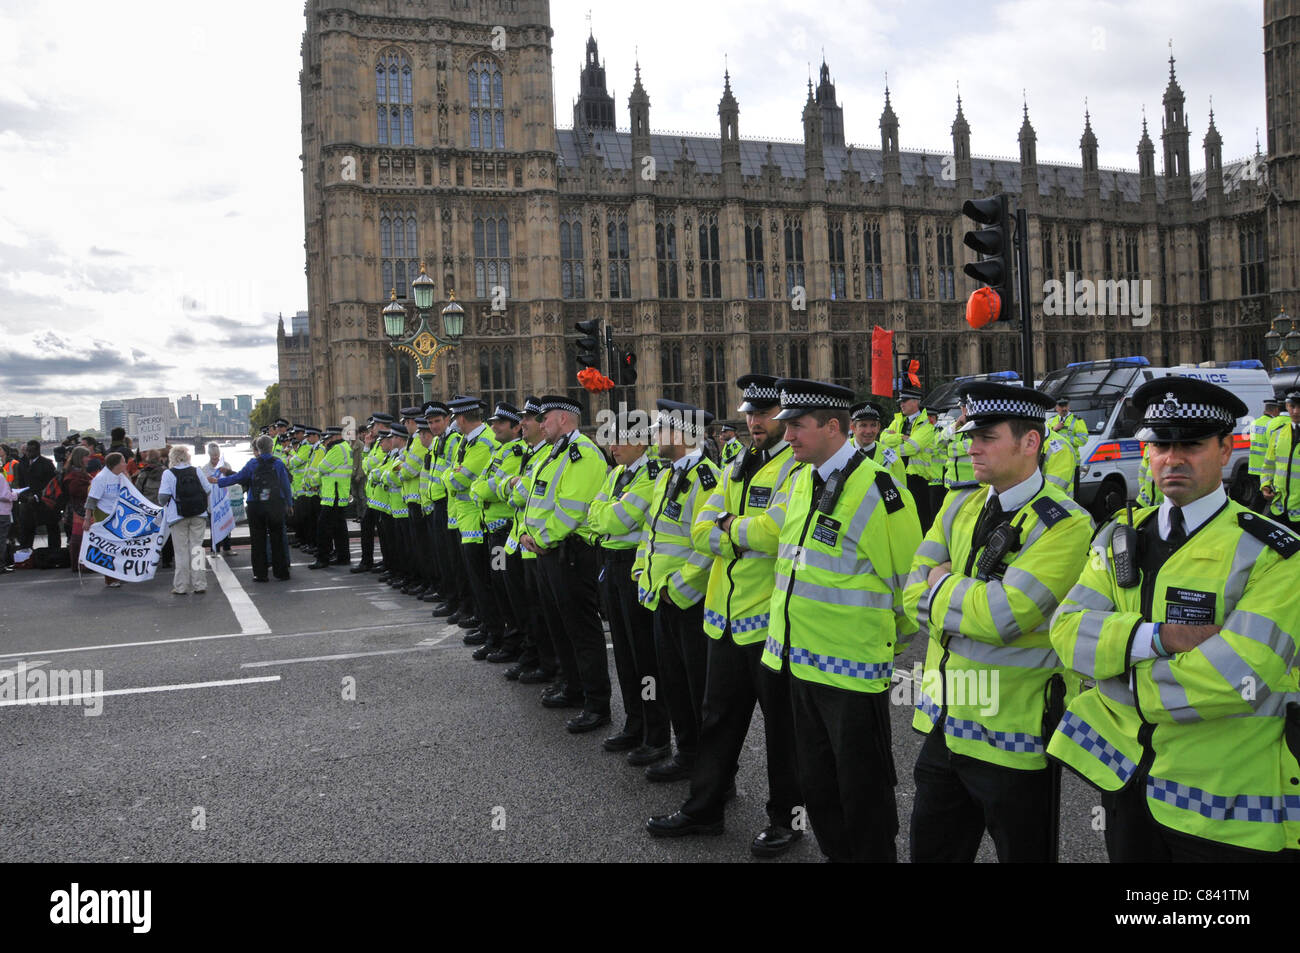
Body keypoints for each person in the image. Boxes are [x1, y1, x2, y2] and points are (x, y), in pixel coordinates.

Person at [1049, 377, 1300, 862]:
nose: (1173, 457)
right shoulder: (1119, 534)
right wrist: (1159, 638)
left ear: (1226, 449)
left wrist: (1113, 670)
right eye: (1161, 443)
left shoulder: (1273, 554)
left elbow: (1238, 679)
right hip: (1127, 785)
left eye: (1191, 443)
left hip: (1223, 807)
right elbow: (1066, 632)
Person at [903, 382, 1093, 862]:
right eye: (971, 435)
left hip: (1014, 736)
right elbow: (909, 593)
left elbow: (1006, 616)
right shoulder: (958, 503)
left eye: (987, 436)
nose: (971, 446)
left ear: (1030, 442)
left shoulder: (1065, 524)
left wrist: (940, 587)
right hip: (947, 725)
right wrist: (960, 597)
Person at [761, 377, 922, 862]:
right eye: (785, 425)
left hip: (851, 671)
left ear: (834, 427)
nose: (786, 435)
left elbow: (906, 583)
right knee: (819, 787)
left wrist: (880, 645)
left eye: (797, 426)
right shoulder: (801, 480)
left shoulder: (878, 488)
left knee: (864, 792)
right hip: (798, 663)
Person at [646, 374, 804, 857]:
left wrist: (727, 530)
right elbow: (700, 529)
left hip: (770, 624)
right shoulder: (736, 464)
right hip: (725, 619)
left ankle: (785, 821)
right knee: (717, 721)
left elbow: (776, 533)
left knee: (782, 733)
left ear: (783, 418)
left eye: (764, 414)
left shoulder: (795, 470)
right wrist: (735, 532)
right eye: (751, 413)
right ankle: (705, 808)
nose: (754, 422)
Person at [635, 399, 721, 779]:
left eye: (660, 429)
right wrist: (642, 570)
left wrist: (678, 590)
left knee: (698, 689)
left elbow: (708, 548)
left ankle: (711, 770)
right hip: (662, 597)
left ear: (683, 434)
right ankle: (687, 755)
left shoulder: (708, 479)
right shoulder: (668, 473)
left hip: (689, 602)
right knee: (673, 682)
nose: (653, 435)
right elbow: (652, 531)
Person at [520, 395, 611, 733]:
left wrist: (540, 539)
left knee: (582, 631)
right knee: (560, 626)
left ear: (562, 418)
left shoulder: (583, 454)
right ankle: (573, 687)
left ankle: (597, 703)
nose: (540, 424)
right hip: (550, 551)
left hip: (571, 553)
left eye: (545, 418)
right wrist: (533, 537)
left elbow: (571, 511)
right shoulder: (556, 453)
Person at [586, 413, 669, 761]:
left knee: (644, 657)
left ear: (640, 443)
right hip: (611, 564)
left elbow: (618, 519)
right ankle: (634, 724)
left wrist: (602, 514)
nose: (611, 447)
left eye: (618, 440)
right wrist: (603, 514)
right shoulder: (619, 474)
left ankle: (656, 734)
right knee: (623, 654)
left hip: (634, 567)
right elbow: (592, 511)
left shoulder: (651, 474)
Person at [473, 401, 528, 662]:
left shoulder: (515, 452)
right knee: (498, 587)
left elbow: (492, 488)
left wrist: (481, 490)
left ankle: (512, 643)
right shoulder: (501, 451)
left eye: (500, 423)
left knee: (508, 592)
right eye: (493, 422)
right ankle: (504, 639)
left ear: (516, 428)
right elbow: (481, 483)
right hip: (494, 528)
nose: (493, 425)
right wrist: (481, 488)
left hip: (505, 529)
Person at [213, 435, 293, 583]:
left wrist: (218, 481)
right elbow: (285, 485)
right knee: (277, 538)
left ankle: (260, 574)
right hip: (275, 503)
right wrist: (289, 503)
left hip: (256, 504)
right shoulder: (278, 463)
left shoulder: (252, 464)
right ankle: (281, 572)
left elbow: (238, 478)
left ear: (258, 449)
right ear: (271, 447)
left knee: (258, 540)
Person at [881, 385, 938, 532]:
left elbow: (913, 447)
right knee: (900, 513)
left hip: (917, 478)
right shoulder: (898, 420)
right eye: (900, 401)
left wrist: (892, 450)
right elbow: (882, 439)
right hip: (898, 474)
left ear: (916, 402)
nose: (901, 404)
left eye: (905, 401)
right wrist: (901, 437)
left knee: (920, 517)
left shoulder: (926, 424)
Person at [158, 444, 213, 595]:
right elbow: (208, 490)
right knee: (197, 549)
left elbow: (162, 499)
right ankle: (200, 584)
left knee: (181, 551)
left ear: (172, 458)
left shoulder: (168, 474)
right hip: (198, 515)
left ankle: (181, 586)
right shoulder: (196, 470)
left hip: (177, 516)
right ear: (187, 457)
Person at [310, 426, 353, 569]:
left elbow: (323, 467)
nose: (326, 442)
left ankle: (322, 559)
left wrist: (311, 482)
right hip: (339, 493)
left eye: (328, 438)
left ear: (335, 437)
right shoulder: (345, 446)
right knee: (339, 528)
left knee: (323, 527)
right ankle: (343, 556)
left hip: (333, 495)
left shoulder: (337, 449)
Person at [85, 452, 129, 588]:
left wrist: (126, 475)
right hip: (104, 515)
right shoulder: (101, 478)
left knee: (119, 546)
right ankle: (110, 578)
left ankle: (118, 574)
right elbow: (91, 500)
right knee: (109, 547)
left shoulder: (120, 476)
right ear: (116, 464)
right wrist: (87, 518)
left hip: (117, 515)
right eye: (123, 462)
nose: (125, 464)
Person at [1263, 389, 1300, 532]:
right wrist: (1265, 485)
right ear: (1286, 406)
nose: (1296, 411)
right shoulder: (1278, 433)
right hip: (1279, 509)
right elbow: (1268, 465)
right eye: (1293, 406)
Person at [16, 440, 59, 550]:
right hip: (27, 501)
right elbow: (21, 483)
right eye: (27, 451)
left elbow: (51, 484)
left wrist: (37, 496)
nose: (28, 453)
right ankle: (26, 552)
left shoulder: (47, 464)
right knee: (26, 528)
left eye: (31, 451)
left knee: (52, 526)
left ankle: (54, 552)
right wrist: (24, 496)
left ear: (38, 451)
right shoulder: (23, 464)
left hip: (45, 501)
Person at [61, 447, 93, 570]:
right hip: (78, 509)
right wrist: (90, 487)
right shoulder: (75, 474)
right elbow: (75, 491)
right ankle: (81, 564)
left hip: (75, 508)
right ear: (80, 458)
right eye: (86, 456)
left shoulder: (71, 472)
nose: (88, 459)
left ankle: (80, 563)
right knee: (79, 538)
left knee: (78, 538)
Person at [200, 443, 235, 556]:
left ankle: (227, 548)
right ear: (209, 455)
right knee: (214, 527)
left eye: (217, 455)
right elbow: (203, 485)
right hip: (212, 502)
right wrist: (207, 480)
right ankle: (214, 549)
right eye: (213, 456)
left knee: (227, 526)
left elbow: (232, 479)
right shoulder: (205, 469)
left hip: (225, 500)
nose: (215, 458)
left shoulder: (226, 465)